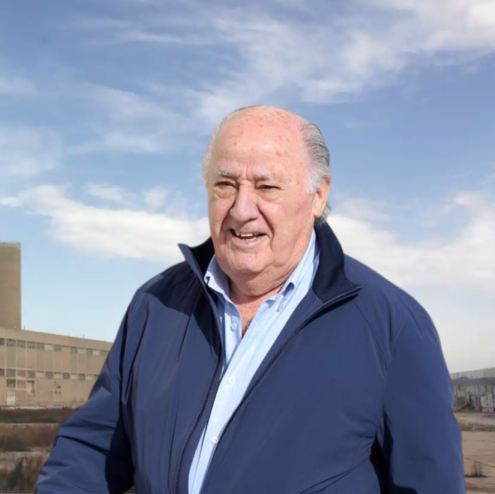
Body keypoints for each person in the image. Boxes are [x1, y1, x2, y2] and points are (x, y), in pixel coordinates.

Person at [36, 105, 463, 493]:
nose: (242, 210)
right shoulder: (155, 306)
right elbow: (91, 453)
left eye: (266, 186)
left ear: (318, 195)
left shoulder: (392, 327)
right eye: (226, 184)